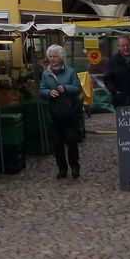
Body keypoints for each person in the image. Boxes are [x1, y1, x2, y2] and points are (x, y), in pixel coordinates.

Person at [39, 44, 83, 179]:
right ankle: (62, 168)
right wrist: (48, 92)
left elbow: (78, 88)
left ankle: (74, 166)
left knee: (71, 140)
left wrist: (66, 88)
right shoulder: (46, 74)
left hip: (69, 112)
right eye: (50, 56)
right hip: (54, 112)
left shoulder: (70, 72)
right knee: (57, 143)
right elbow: (41, 90)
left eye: (55, 56)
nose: (52, 59)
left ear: (61, 57)